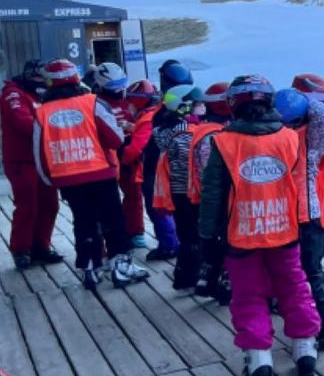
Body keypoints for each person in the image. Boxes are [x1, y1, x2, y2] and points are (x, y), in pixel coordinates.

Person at [198, 75, 320, 376]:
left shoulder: (223, 142)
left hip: (242, 234)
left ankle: (258, 357)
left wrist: (207, 235)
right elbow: (303, 184)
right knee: (294, 285)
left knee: (248, 294)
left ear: (233, 106)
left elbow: (212, 194)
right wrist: (307, 223)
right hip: (285, 230)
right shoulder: (290, 137)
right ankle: (305, 346)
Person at [32, 60, 149, 289]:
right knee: (113, 220)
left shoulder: (42, 112)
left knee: (83, 222)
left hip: (66, 177)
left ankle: (90, 267)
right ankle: (121, 266)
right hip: (99, 172)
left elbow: (39, 151)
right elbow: (115, 139)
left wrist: (48, 179)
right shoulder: (92, 103)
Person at [274, 84, 324, 351]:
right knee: (314, 269)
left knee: (311, 273)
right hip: (311, 215)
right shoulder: (312, 136)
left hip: (301, 216)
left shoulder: (290, 140)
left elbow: (323, 115)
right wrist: (305, 101)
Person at [2, 60, 61, 269]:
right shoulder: (14, 93)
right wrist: (56, 131)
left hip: (43, 159)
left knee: (50, 205)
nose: (44, 81)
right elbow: (23, 122)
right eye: (40, 77)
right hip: (22, 160)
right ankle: (21, 249)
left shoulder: (41, 94)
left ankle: (41, 246)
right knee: (28, 205)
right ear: (30, 75)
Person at [152, 84, 205, 292]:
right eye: (199, 104)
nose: (203, 107)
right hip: (189, 192)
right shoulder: (185, 134)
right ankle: (187, 276)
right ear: (185, 107)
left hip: (176, 192)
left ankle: (185, 276)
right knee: (194, 234)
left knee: (186, 233)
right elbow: (190, 163)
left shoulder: (167, 131)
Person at [189, 81, 232, 303]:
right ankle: (223, 284)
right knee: (222, 243)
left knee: (211, 242)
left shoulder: (203, 130)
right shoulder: (215, 135)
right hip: (220, 199)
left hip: (202, 197)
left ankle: (205, 280)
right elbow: (213, 174)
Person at [118, 80, 162, 250]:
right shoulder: (156, 113)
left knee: (155, 209)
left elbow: (136, 148)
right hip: (157, 168)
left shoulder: (146, 119)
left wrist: (122, 159)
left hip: (149, 170)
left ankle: (168, 244)